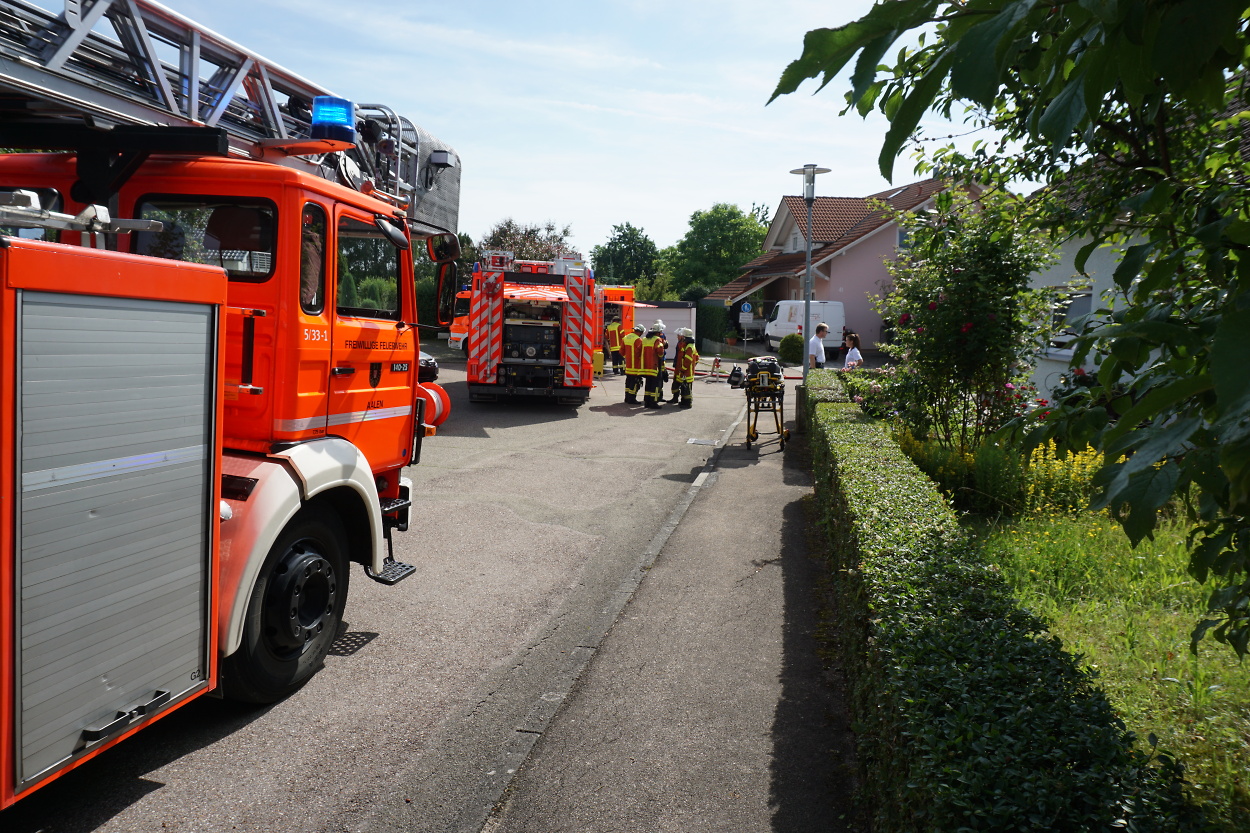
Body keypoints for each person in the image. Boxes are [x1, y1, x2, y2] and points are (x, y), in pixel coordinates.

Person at [669, 327, 699, 408]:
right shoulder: (688, 345)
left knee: (687, 389)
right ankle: (683, 402)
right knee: (684, 387)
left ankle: (687, 404)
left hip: (686, 372)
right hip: (685, 370)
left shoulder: (689, 347)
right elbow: (696, 358)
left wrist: (684, 369)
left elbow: (688, 360)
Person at [640, 321, 666, 408]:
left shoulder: (644, 339)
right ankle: (653, 403)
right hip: (654, 366)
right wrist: (660, 357)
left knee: (648, 385)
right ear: (658, 332)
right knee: (655, 385)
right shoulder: (657, 339)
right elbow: (660, 350)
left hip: (646, 367)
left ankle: (647, 402)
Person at [621, 324, 644, 404]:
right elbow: (640, 352)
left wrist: (627, 357)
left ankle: (627, 398)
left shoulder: (626, 338)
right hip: (636, 366)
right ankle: (632, 399)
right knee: (635, 383)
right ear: (640, 332)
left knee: (628, 381)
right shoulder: (638, 340)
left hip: (628, 366)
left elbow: (621, 351)